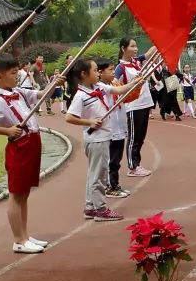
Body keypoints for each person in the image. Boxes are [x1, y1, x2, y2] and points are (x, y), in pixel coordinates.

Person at [0, 53, 50, 254]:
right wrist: (7, 131)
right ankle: (18, 239)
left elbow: (40, 95)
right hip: (20, 147)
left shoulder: (18, 92)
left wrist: (55, 84)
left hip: (32, 144)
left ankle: (25, 235)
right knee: (16, 194)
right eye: (12, 72)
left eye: (17, 71)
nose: (16, 75)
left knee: (24, 193)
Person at [66, 57, 124, 221]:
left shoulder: (98, 87)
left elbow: (118, 91)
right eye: (95, 70)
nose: (98, 73)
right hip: (96, 139)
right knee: (99, 174)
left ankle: (90, 207)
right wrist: (89, 122)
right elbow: (69, 117)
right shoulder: (80, 95)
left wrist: (137, 82)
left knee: (94, 173)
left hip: (103, 137)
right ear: (84, 74)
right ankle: (100, 209)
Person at [114, 38, 156, 177]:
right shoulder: (120, 67)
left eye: (136, 46)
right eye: (132, 46)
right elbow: (115, 85)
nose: (136, 48)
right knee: (133, 137)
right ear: (123, 48)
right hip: (133, 105)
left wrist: (161, 43)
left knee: (141, 137)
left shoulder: (136, 62)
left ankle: (137, 164)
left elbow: (150, 53)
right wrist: (131, 85)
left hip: (145, 103)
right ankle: (132, 167)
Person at [97, 58, 133, 199]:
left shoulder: (114, 83)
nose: (113, 72)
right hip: (109, 128)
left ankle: (114, 184)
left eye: (113, 69)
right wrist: (132, 84)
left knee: (116, 159)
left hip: (119, 126)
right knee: (111, 160)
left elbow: (126, 95)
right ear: (100, 72)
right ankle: (109, 186)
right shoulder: (100, 87)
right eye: (110, 70)